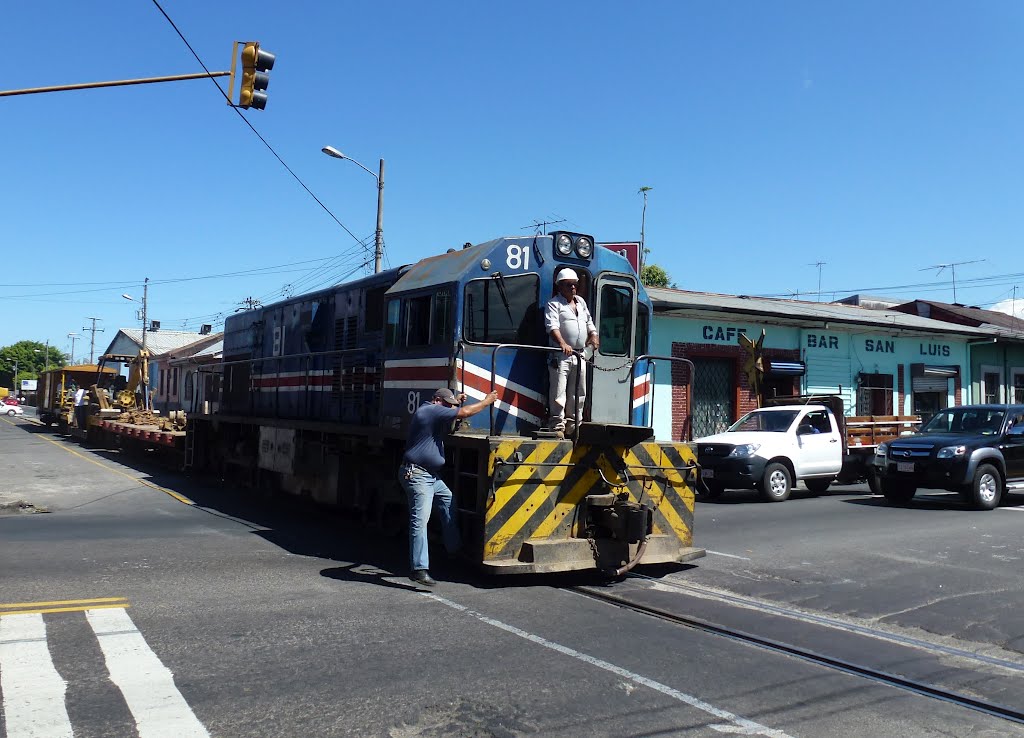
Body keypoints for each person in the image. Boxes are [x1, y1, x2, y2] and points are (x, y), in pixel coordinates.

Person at [399, 387, 498, 586]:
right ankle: (418, 569)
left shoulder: (435, 410)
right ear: (436, 400)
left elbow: (453, 411)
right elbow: (465, 413)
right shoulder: (428, 410)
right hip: (417, 474)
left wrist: (455, 401)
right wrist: (487, 401)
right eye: (446, 404)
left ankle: (454, 550)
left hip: (431, 476)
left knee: (448, 501)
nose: (448, 409)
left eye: (450, 406)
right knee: (420, 520)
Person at [544, 267, 599, 435]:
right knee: (559, 391)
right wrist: (562, 343)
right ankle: (557, 425)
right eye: (569, 285)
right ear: (560, 286)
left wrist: (594, 335)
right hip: (561, 355)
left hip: (580, 354)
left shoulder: (581, 303)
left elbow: (588, 322)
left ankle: (574, 425)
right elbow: (552, 327)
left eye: (575, 284)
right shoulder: (554, 304)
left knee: (579, 391)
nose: (573, 288)